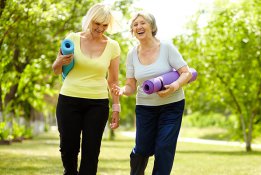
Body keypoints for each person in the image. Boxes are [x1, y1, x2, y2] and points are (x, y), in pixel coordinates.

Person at [112, 11, 193, 175]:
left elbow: (187, 73)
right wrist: (122, 91)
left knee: (164, 148)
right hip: (145, 107)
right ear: (132, 31)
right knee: (142, 149)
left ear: (152, 26)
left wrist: (174, 86)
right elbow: (131, 85)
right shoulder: (132, 54)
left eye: (143, 23)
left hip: (172, 105)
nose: (138, 27)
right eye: (135, 25)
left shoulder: (167, 47)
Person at [52, 3, 122, 175]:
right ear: (90, 19)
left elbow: (113, 80)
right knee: (68, 148)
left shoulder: (113, 46)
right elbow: (56, 70)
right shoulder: (73, 38)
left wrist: (116, 107)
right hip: (69, 100)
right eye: (97, 23)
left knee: (91, 151)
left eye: (105, 25)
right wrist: (59, 62)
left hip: (97, 104)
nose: (100, 28)